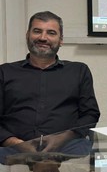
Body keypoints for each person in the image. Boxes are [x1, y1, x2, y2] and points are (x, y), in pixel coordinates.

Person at [0, 11, 100, 164]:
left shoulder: (79, 71)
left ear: (61, 40)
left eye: (51, 33)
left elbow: (90, 114)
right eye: (37, 31)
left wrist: (62, 138)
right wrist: (17, 143)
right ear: (27, 35)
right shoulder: (4, 72)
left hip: (68, 149)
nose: (43, 37)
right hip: (12, 151)